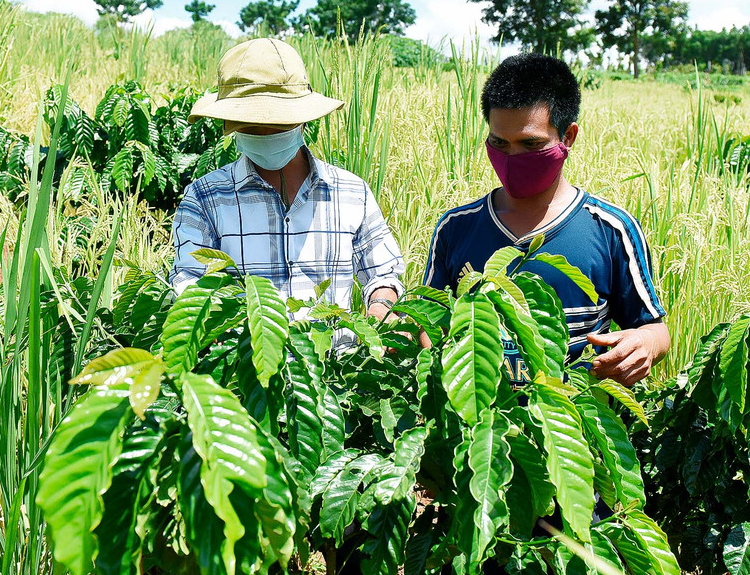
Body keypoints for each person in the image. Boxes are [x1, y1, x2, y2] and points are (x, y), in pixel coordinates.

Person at [424, 52, 669, 388]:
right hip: (480, 428)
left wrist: (646, 346)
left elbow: (654, 326)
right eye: (499, 143)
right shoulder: (456, 228)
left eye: (531, 144)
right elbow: (429, 321)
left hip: (572, 422)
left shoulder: (610, 229)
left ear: (567, 137)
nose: (512, 158)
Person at [169, 38, 405, 339]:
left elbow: (384, 272)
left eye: (277, 123)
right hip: (243, 374)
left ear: (303, 121)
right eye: (252, 124)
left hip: (337, 374)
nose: (266, 133)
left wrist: (381, 306)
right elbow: (189, 284)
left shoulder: (352, 193)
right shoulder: (205, 199)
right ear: (231, 124)